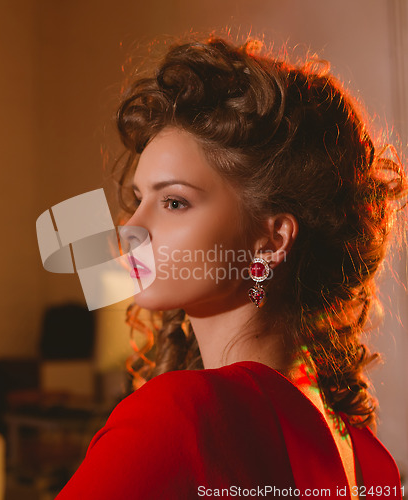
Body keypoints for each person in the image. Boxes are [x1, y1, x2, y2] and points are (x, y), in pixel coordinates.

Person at [56, 36, 406, 499]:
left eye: (175, 201)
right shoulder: (365, 455)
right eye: (139, 200)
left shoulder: (176, 418)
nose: (130, 229)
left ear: (272, 240)